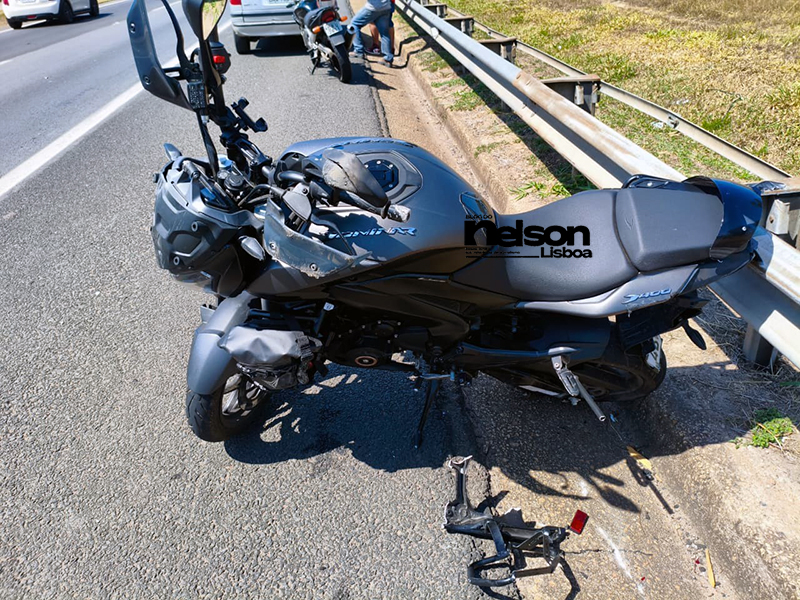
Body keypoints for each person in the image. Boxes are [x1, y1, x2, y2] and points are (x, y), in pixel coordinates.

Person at [350, 0, 393, 66]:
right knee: (384, 33)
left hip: (374, 7)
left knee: (354, 24)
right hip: (386, 6)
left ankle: (358, 51)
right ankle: (387, 59)